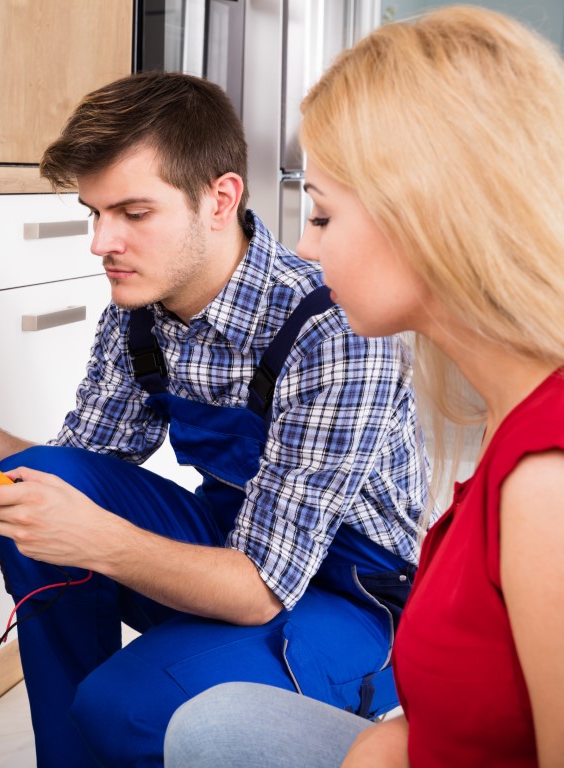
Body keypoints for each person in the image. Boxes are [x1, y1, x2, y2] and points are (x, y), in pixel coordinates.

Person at [0, 71, 428, 767]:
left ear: (219, 199)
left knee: (126, 707)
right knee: (41, 481)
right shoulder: (142, 314)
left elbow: (259, 589)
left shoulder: (331, 329)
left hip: (347, 602)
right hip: (234, 543)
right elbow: (75, 475)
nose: (101, 242)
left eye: (133, 213)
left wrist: (100, 541)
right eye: (94, 214)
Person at [163, 6, 564, 767]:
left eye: (321, 214)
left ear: (429, 218)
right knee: (213, 723)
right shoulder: (502, 419)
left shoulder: (548, 484)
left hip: (338, 594)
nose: (306, 250)